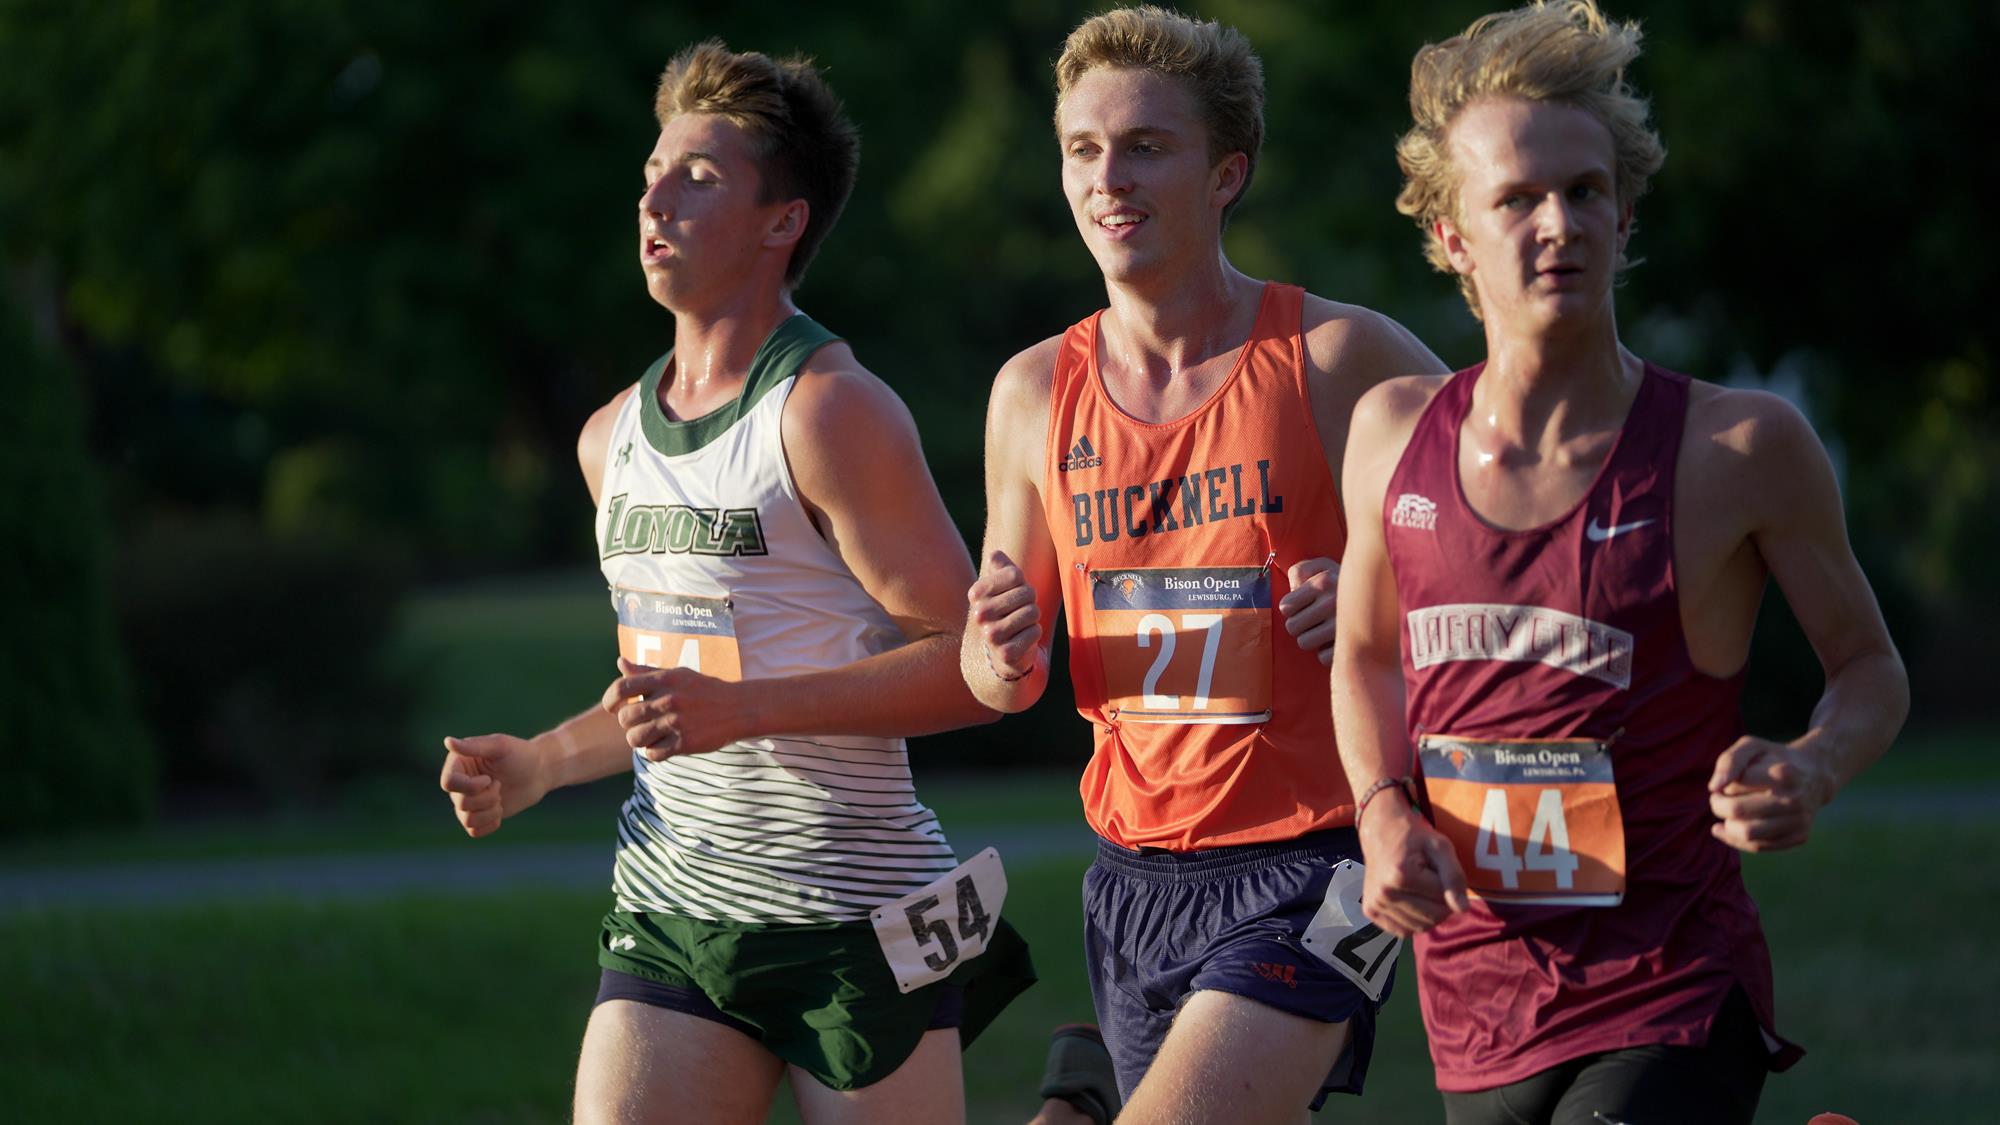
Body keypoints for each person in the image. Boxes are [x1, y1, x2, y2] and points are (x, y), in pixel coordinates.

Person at [1331, 3, 1910, 1123]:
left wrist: (1814, 765)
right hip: (1479, 992)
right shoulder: (1389, 435)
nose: (1558, 222)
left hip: (1672, 977)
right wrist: (1381, 814)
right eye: (1515, 199)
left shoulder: (1736, 448)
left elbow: (1868, 668)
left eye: (1584, 191)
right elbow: (1362, 659)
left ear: (1623, 209)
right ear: (1451, 236)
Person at [438, 41, 1032, 1125]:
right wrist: (539, 762)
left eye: (697, 178)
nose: (653, 199)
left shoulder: (830, 413)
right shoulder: (605, 439)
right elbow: (671, 695)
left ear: (781, 221)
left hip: (854, 922)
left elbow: (973, 672)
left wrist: (744, 714)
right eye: (650, 175)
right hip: (671, 910)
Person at [964, 8, 1446, 1122]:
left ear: (1225, 172)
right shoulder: (1032, 392)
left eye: (1144, 146)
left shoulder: (1335, 357)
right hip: (1133, 881)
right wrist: (996, 646)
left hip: (1324, 864)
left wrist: (1385, 589)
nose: (1106, 178)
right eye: (1081, 149)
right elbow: (1001, 682)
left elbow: (1506, 535)